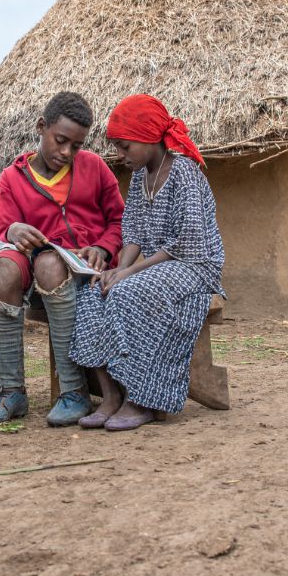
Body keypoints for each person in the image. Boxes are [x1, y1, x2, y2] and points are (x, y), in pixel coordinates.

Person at [69, 93, 225, 431]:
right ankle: (111, 395)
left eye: (125, 146)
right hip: (158, 266)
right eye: (117, 147)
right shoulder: (141, 178)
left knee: (129, 292)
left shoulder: (184, 172)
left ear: (150, 137)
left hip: (194, 267)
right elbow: (135, 233)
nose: (119, 155)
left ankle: (142, 398)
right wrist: (117, 269)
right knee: (94, 291)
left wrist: (130, 274)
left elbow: (185, 243)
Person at [0, 92, 126, 427]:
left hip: (90, 273)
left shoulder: (95, 168)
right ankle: (11, 392)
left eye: (76, 145)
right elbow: (5, 232)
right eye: (60, 141)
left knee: (49, 264)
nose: (67, 153)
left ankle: (74, 392)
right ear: (41, 127)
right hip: (36, 283)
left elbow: (120, 221)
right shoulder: (11, 179)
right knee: (5, 267)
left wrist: (103, 247)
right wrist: (14, 230)